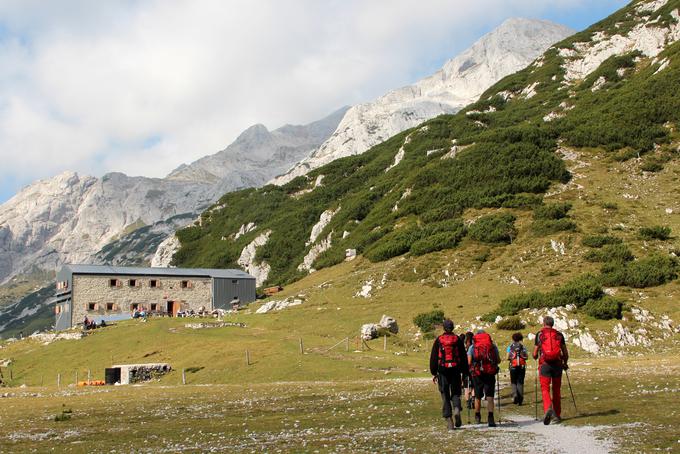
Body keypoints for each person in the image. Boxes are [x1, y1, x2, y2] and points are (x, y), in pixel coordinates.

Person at [430, 319, 470, 430]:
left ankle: (449, 421)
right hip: (456, 370)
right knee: (456, 392)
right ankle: (457, 409)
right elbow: (463, 357)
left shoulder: (439, 340)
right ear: (453, 327)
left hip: (442, 371)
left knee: (445, 394)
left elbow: (433, 357)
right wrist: (465, 372)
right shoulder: (457, 339)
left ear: (444, 328)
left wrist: (434, 372)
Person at [533, 316, 569, 425]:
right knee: (556, 390)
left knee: (545, 389)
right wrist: (565, 363)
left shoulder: (539, 335)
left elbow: (535, 353)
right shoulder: (559, 335)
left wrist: (535, 357)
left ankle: (548, 408)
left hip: (545, 365)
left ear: (544, 323)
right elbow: (565, 352)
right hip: (557, 365)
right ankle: (557, 415)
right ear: (552, 324)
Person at [468, 329, 501, 427]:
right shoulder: (492, 346)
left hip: (477, 373)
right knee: (490, 396)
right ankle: (490, 418)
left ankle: (477, 416)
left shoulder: (472, 347)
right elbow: (498, 360)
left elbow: (469, 362)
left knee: (478, 396)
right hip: (490, 372)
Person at [507, 332, 528, 405]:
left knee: (513, 381)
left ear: (513, 339)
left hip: (513, 366)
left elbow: (507, 357)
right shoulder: (523, 346)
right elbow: (526, 356)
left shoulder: (510, 347)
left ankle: (515, 394)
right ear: (520, 338)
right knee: (520, 382)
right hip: (521, 366)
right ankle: (520, 398)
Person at [463, 331, 475, 409]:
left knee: (466, 387)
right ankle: (473, 399)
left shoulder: (465, 347)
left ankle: (468, 402)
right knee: (474, 386)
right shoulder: (475, 346)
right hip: (474, 369)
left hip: (466, 369)